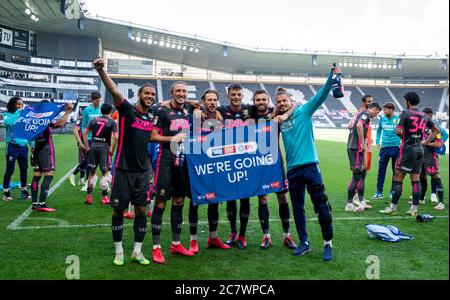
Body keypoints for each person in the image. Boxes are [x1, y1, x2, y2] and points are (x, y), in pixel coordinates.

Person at [273, 64, 341, 261]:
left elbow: (322, 94)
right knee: (298, 208)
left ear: (290, 101)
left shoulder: (304, 111)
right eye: (279, 102)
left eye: (284, 100)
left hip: (310, 165)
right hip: (293, 170)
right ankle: (304, 243)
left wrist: (332, 75)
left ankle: (328, 244)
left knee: (321, 205)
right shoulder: (279, 120)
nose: (282, 103)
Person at [94, 58, 156, 266]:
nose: (150, 96)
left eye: (153, 95)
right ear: (139, 95)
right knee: (118, 210)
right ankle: (119, 251)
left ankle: (137, 252)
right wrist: (102, 71)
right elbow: (115, 92)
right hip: (123, 169)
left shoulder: (152, 117)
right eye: (147, 93)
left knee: (140, 211)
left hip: (142, 172)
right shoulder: (128, 111)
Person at [151, 81, 195, 264]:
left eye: (184, 91)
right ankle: (156, 247)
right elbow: (152, 136)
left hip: (184, 160)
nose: (181, 93)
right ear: (171, 93)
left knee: (179, 201)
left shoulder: (188, 111)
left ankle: (176, 244)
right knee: (161, 203)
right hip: (166, 160)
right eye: (178, 90)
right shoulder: (161, 111)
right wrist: (172, 138)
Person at [250, 89, 297, 250]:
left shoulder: (275, 112)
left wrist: (284, 115)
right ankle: (266, 236)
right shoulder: (248, 114)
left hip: (276, 161)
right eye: (258, 100)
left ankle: (287, 235)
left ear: (268, 101)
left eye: (264, 99)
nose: (261, 102)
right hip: (257, 163)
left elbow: (294, 106)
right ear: (253, 101)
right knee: (262, 199)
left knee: (283, 198)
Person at [380, 92, 440, 217]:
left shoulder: (405, 113)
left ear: (408, 101)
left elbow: (398, 131)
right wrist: (425, 142)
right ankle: (414, 209)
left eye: (405, 100)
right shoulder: (424, 115)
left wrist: (406, 139)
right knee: (415, 180)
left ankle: (393, 208)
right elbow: (436, 130)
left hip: (408, 149)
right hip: (420, 150)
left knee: (398, 177)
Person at [187, 89, 231, 253]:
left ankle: (213, 237)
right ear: (203, 102)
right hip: (196, 167)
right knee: (195, 203)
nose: (212, 102)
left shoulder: (221, 118)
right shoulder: (196, 116)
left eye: (214, 100)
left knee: (214, 203)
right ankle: (193, 240)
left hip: (215, 168)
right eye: (209, 100)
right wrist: (195, 109)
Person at [216, 83, 254, 249]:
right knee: (231, 197)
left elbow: (267, 108)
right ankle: (233, 231)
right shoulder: (222, 111)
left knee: (245, 197)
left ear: (242, 96)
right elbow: (200, 105)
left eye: (239, 94)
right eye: (233, 94)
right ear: (228, 95)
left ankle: (243, 235)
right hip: (228, 158)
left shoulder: (249, 110)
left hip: (245, 159)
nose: (236, 97)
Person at [31, 101, 74, 212]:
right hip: (46, 150)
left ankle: (35, 203)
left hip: (35, 149)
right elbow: (60, 124)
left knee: (36, 175)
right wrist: (68, 112)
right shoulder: (45, 117)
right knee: (49, 174)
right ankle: (42, 203)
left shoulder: (33, 117)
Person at [345, 103, 382, 212]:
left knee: (362, 174)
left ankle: (361, 201)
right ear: (374, 109)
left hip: (357, 148)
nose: (376, 115)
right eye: (377, 112)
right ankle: (349, 204)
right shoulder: (365, 113)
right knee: (356, 176)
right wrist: (362, 143)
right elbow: (359, 125)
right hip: (355, 148)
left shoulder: (363, 114)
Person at [83, 103, 118, 205]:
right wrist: (112, 150)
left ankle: (89, 197)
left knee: (92, 173)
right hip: (104, 149)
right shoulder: (112, 122)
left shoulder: (94, 120)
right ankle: (104, 197)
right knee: (105, 173)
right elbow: (116, 137)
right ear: (110, 111)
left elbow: (85, 133)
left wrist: (87, 147)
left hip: (93, 147)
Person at [2, 97, 33, 201]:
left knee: (24, 169)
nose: (20, 106)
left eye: (21, 104)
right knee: (10, 170)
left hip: (23, 147)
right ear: (12, 104)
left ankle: (23, 191)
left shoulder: (24, 116)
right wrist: (18, 112)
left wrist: (32, 145)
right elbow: (9, 123)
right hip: (12, 146)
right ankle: (6, 192)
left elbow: (28, 131)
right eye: (18, 104)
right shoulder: (7, 115)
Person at [414, 108, 445, 210]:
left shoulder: (436, 129)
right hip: (419, 156)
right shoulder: (418, 127)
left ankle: (441, 203)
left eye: (428, 116)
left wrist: (425, 143)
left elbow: (439, 143)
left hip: (431, 157)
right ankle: (421, 199)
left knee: (435, 176)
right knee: (422, 178)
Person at [348, 95, 374, 205]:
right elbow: (351, 125)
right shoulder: (362, 113)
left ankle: (359, 197)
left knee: (363, 172)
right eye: (368, 101)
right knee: (359, 172)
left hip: (366, 144)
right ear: (363, 102)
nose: (370, 103)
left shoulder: (368, 114)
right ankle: (355, 197)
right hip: (361, 146)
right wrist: (363, 142)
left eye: (372, 101)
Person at [372, 102, 401, 200]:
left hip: (396, 147)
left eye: (385, 109)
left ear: (391, 109)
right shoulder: (382, 119)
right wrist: (377, 141)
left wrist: (401, 142)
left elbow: (403, 132)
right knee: (381, 171)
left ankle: (392, 192)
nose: (383, 111)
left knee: (395, 171)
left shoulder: (398, 119)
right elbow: (379, 130)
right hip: (384, 148)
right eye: (383, 109)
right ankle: (378, 192)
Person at [80, 91, 102, 191]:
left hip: (100, 139)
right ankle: (87, 183)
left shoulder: (101, 109)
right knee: (90, 162)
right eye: (97, 100)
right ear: (93, 100)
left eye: (99, 100)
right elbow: (83, 124)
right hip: (89, 139)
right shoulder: (86, 110)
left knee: (100, 161)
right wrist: (85, 134)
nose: (99, 102)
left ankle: (101, 183)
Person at [69, 113, 87, 186]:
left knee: (86, 161)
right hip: (82, 143)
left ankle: (81, 180)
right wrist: (80, 143)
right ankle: (73, 175)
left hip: (88, 142)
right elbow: (75, 131)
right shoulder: (81, 119)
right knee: (84, 161)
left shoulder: (89, 119)